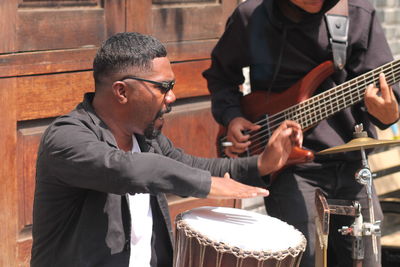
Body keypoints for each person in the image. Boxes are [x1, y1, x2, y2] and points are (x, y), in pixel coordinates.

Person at [30, 32, 303, 267]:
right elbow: (126, 169)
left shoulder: (146, 139)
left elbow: (195, 167)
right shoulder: (65, 138)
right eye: (164, 87)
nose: (172, 97)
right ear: (122, 92)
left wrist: (262, 164)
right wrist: (205, 184)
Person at [203, 0, 400, 266]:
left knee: (367, 260)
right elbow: (221, 74)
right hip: (287, 167)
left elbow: (388, 94)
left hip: (352, 166)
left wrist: (388, 113)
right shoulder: (251, 15)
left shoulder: (356, 13)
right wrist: (232, 116)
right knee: (303, 259)